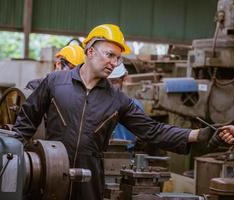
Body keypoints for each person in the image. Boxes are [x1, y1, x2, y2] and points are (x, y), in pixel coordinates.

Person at [13, 24, 215, 200]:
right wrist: (12, 158)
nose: (114, 63)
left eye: (118, 58)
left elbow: (153, 130)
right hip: (50, 177)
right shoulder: (55, 83)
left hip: (89, 183)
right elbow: (27, 119)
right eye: (109, 55)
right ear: (90, 51)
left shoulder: (117, 100)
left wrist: (197, 135)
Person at [107, 63, 143, 150]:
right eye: (109, 81)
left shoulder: (135, 105)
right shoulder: (93, 104)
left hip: (126, 153)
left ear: (124, 79)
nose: (111, 85)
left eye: (115, 81)